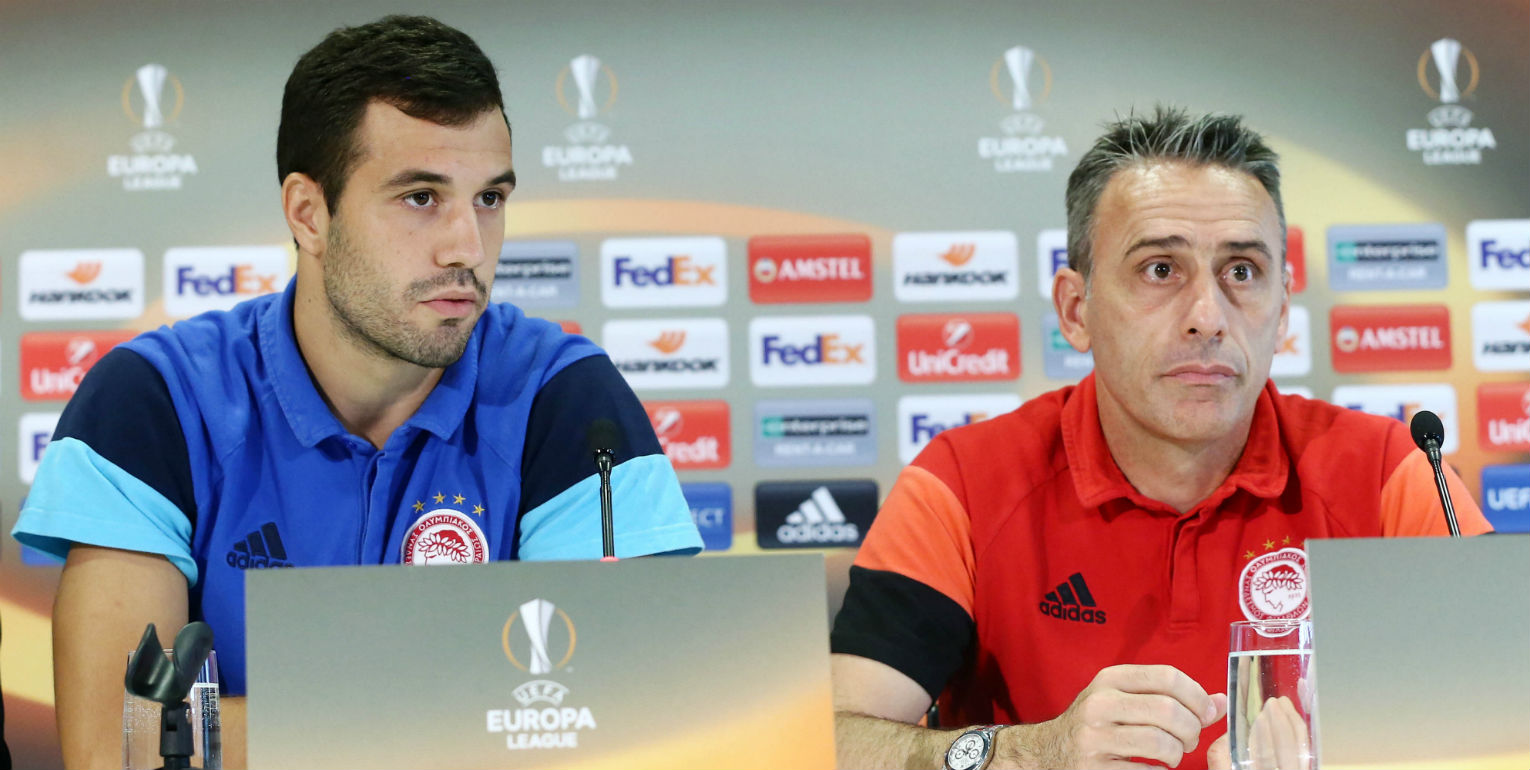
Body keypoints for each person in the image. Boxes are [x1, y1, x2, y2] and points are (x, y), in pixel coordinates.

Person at [12, 15, 701, 768]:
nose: (467, 248)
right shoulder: (153, 399)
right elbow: (119, 747)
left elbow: (624, 733)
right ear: (309, 214)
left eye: (490, 199)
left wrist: (232, 734)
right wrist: (480, 718)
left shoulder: (567, 398)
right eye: (420, 198)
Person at [829, 106, 1491, 770]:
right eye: (1159, 270)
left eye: (1241, 272)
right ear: (1075, 310)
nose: (1207, 317)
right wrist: (1032, 753)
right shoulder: (966, 483)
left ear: (1282, 312)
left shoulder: (1385, 473)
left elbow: (1505, 713)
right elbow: (830, 742)